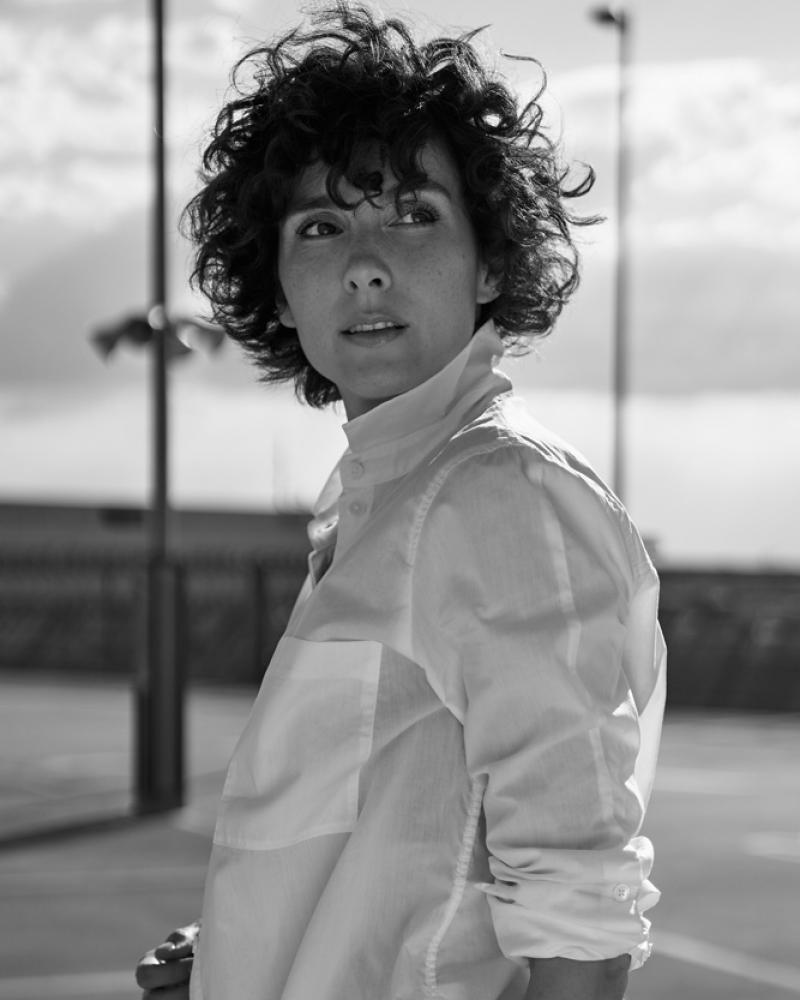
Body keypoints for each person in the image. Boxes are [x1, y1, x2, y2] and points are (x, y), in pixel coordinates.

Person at [136, 3, 666, 997]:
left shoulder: (493, 489)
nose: (365, 263)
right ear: (279, 288)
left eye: (414, 213)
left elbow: (579, 919)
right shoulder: (389, 492)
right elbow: (403, 855)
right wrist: (244, 960)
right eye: (321, 226)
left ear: (491, 261)